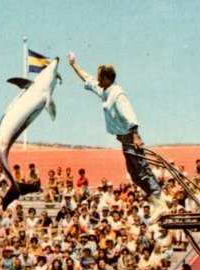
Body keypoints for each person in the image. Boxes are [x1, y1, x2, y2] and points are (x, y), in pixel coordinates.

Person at [67, 52, 168, 220]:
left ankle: (160, 202)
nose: (98, 80)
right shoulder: (105, 90)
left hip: (130, 136)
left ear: (107, 78)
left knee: (142, 170)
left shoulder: (118, 94)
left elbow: (130, 116)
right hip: (124, 139)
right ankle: (156, 202)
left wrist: (136, 136)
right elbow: (88, 78)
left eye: (100, 78)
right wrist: (73, 65)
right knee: (134, 174)